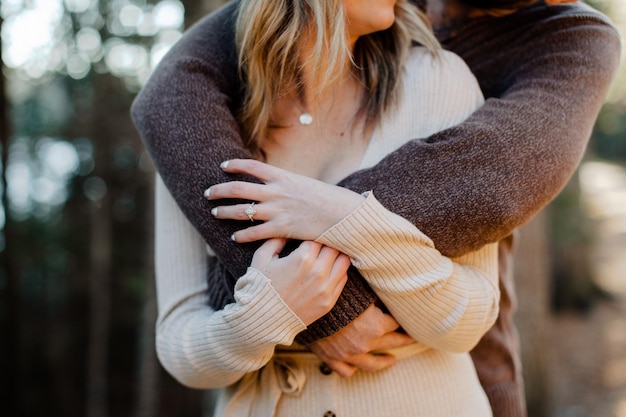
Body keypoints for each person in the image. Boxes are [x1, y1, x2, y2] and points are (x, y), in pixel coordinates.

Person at [131, 0, 621, 416]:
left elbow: (491, 208)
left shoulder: (442, 78)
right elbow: (181, 340)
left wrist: (340, 219)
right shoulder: (207, 120)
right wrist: (266, 315)